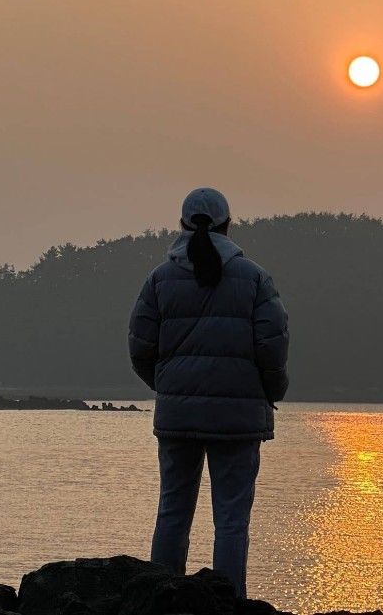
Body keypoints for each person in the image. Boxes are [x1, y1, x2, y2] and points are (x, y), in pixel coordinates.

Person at [128, 187, 289, 597]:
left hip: (177, 416)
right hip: (237, 420)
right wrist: (269, 391)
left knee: (172, 514)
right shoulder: (254, 277)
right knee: (232, 522)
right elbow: (273, 346)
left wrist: (168, 387)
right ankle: (230, 602)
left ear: (182, 225)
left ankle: (161, 600)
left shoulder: (159, 280)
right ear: (228, 224)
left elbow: (140, 346)